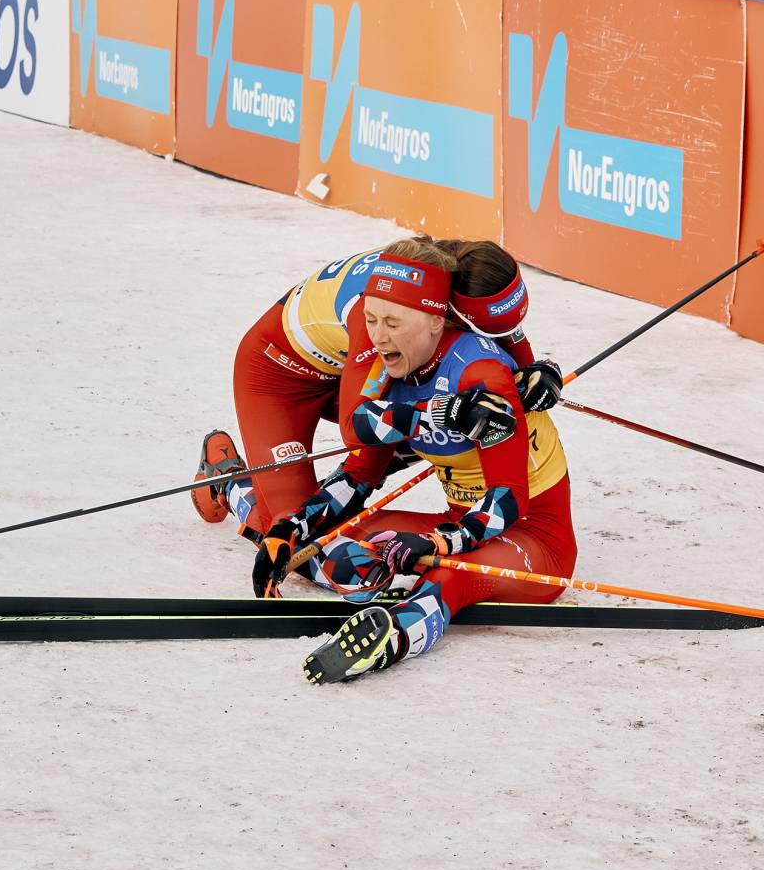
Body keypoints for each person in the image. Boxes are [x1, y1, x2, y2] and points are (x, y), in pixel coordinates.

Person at [245, 241, 577, 685]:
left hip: (532, 537)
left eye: (392, 325)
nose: (380, 336)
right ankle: (236, 493)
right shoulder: (391, 362)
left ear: (441, 320)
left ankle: (398, 636)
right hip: (277, 371)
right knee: (335, 541)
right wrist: (291, 529)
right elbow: (359, 459)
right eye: (374, 323)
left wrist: (539, 367)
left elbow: (506, 503)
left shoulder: (481, 374)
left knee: (450, 574)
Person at [193, 237, 557, 541]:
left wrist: (539, 372)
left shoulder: (459, 271)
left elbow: (502, 331)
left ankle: (333, 488)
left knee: (436, 421)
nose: (496, 340)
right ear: (444, 314)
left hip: (349, 367)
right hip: (279, 379)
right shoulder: (384, 319)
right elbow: (356, 428)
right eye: (480, 333)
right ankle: (230, 483)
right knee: (294, 535)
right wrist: (451, 411)